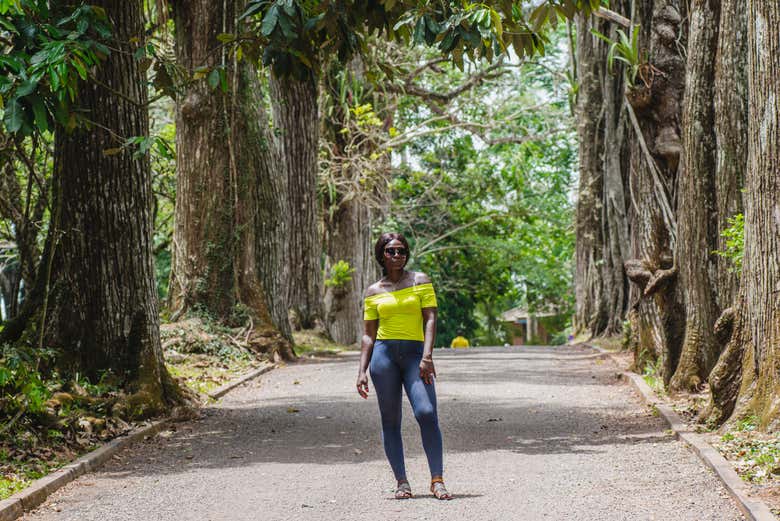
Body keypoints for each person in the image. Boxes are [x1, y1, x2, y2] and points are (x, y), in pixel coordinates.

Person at [356, 232, 452, 500]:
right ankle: (402, 482)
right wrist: (362, 370)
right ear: (381, 256)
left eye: (401, 251)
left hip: (415, 356)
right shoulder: (374, 291)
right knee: (390, 421)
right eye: (391, 251)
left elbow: (430, 319)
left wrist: (427, 356)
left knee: (426, 412)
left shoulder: (420, 280)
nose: (397, 256)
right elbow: (368, 334)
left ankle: (437, 480)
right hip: (383, 358)